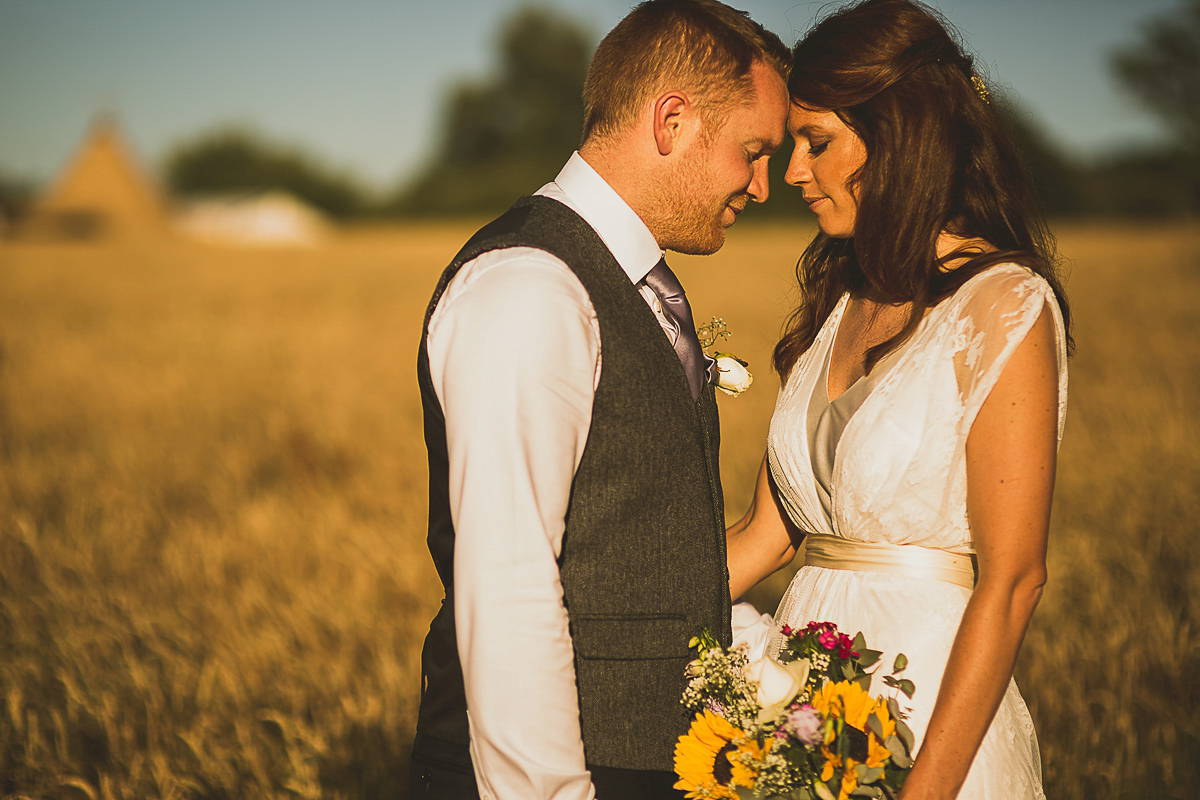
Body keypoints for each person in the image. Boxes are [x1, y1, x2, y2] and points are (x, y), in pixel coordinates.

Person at [409, 2, 790, 799]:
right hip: (569, 774)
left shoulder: (635, 287)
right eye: (752, 152)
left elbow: (640, 551)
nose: (763, 185)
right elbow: (509, 582)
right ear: (673, 120)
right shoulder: (529, 289)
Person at [725, 1, 1072, 798]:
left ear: (898, 136)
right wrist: (613, 611)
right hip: (797, 719)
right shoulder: (839, 302)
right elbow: (765, 537)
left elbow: (1014, 580)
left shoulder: (1002, 304)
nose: (791, 173)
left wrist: (926, 789)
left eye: (818, 143)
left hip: (928, 722)